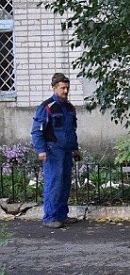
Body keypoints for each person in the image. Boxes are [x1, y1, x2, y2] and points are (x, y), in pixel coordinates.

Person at [31, 73, 81, 229]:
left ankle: (61, 215)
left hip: (66, 152)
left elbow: (71, 131)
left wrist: (75, 149)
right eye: (62, 88)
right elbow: (37, 131)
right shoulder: (47, 107)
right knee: (54, 184)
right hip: (53, 152)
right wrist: (41, 150)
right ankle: (50, 217)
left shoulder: (69, 108)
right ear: (54, 88)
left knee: (65, 184)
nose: (65, 91)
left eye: (67, 88)